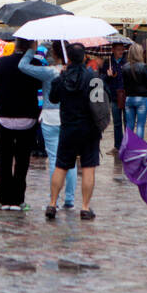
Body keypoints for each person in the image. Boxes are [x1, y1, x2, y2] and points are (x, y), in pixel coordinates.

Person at [45, 43, 105, 220]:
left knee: (61, 166)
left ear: (68, 58)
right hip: (89, 129)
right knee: (88, 167)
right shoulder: (92, 78)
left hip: (68, 127)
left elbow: (53, 98)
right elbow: (100, 103)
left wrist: (62, 76)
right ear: (84, 57)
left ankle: (52, 203)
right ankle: (85, 207)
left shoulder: (62, 77)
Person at [21, 43, 76, 210]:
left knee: (54, 159)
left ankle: (54, 199)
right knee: (70, 160)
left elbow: (22, 65)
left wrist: (31, 48)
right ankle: (69, 199)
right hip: (69, 116)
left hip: (50, 115)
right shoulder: (74, 73)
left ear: (54, 52)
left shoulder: (48, 72)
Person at [0, 37, 40, 210]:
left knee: (4, 159)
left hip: (6, 117)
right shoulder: (35, 64)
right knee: (22, 160)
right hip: (28, 118)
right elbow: (40, 84)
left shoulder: (2, 62)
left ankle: (4, 199)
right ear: (31, 46)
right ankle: (18, 199)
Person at [122, 43, 147, 139]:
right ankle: (138, 148)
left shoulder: (125, 67)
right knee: (140, 125)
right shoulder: (143, 66)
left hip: (129, 98)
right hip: (141, 98)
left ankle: (128, 147)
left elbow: (124, 84)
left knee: (129, 126)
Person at [104, 43, 126, 155]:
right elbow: (102, 79)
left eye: (122, 49)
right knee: (117, 123)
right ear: (113, 50)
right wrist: (108, 75)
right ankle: (117, 146)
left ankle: (127, 145)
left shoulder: (126, 61)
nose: (121, 52)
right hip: (114, 96)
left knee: (127, 122)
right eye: (118, 50)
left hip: (125, 94)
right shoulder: (108, 62)